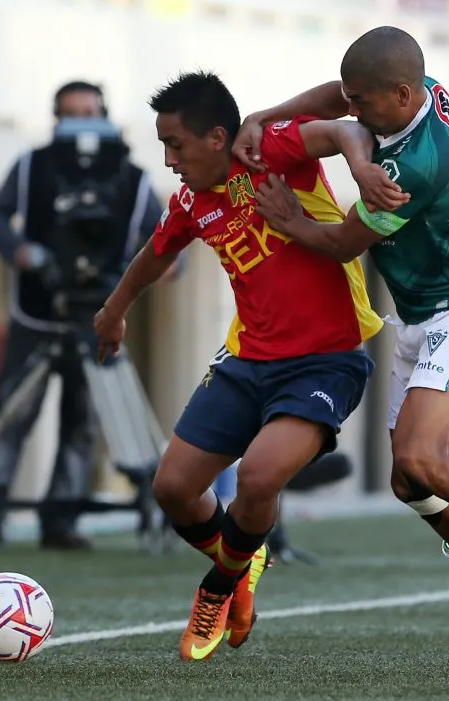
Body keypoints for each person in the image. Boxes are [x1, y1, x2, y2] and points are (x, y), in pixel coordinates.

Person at [235, 26, 449, 658]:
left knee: (422, 458)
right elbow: (339, 101)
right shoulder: (414, 90)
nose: (354, 109)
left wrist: (287, 218)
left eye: (365, 102)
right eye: (354, 99)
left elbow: (341, 245)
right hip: (428, 313)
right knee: (408, 480)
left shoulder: (413, 168)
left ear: (401, 94)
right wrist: (270, 114)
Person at [93, 71, 389, 661]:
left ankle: (220, 586)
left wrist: (360, 168)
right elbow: (154, 257)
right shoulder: (191, 201)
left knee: (257, 477)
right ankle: (243, 553)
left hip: (325, 362)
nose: (169, 159)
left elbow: (345, 124)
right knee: (173, 488)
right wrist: (113, 311)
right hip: (247, 360)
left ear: (216, 137)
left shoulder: (269, 150)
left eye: (175, 145)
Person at [0, 81, 167, 551]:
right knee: (11, 412)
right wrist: (26, 253)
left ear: (105, 113)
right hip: (36, 311)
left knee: (83, 418)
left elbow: (164, 234)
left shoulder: (132, 178)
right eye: (70, 113)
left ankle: (63, 518)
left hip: (97, 314)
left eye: (88, 111)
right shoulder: (32, 166)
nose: (80, 123)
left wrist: (150, 268)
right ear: (55, 118)